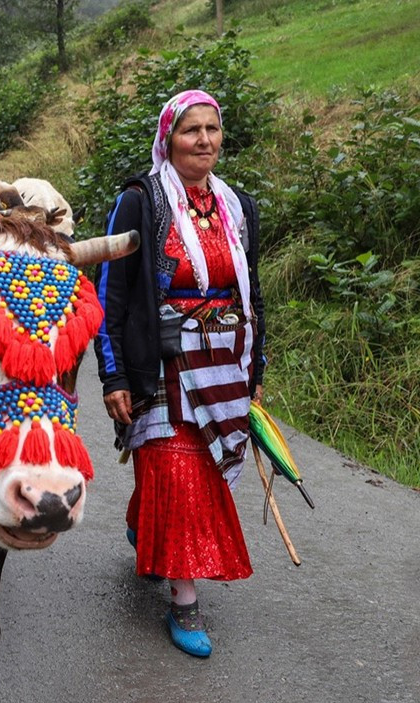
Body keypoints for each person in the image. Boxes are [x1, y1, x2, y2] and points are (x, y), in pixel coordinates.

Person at [94, 89, 266, 659]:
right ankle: (185, 599)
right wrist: (114, 375)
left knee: (203, 469)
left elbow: (253, 294)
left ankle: (144, 522)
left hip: (225, 365)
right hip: (161, 360)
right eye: (192, 130)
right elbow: (111, 295)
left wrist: (256, 365)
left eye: (213, 129)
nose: (205, 141)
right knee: (177, 469)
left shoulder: (237, 205)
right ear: (168, 138)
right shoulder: (141, 202)